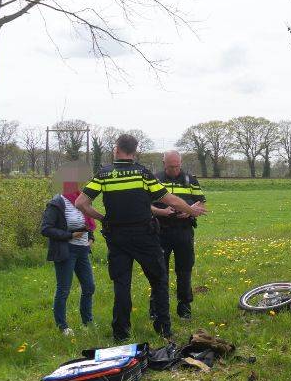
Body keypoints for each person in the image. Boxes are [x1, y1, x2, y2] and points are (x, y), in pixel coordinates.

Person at [73, 134, 196, 341]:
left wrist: (103, 218)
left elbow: (80, 203)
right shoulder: (142, 174)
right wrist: (191, 211)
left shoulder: (104, 174)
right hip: (144, 236)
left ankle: (121, 333)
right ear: (134, 151)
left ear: (116, 149)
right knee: (159, 280)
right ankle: (164, 329)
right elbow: (170, 199)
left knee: (121, 284)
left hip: (117, 236)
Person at [41, 161, 101, 335]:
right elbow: (46, 229)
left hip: (83, 251)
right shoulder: (57, 202)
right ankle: (63, 326)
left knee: (89, 287)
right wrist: (69, 235)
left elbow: (87, 223)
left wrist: (90, 237)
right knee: (64, 289)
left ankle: (87, 321)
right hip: (66, 251)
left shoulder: (81, 199)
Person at [153, 150, 207, 320]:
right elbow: (145, 205)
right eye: (171, 167)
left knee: (184, 270)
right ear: (164, 163)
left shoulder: (190, 179)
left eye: (177, 166)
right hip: (160, 230)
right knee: (159, 271)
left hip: (184, 231)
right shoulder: (155, 180)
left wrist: (189, 212)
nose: (175, 170)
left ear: (181, 163)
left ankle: (184, 307)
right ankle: (156, 307)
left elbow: (201, 201)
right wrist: (163, 212)